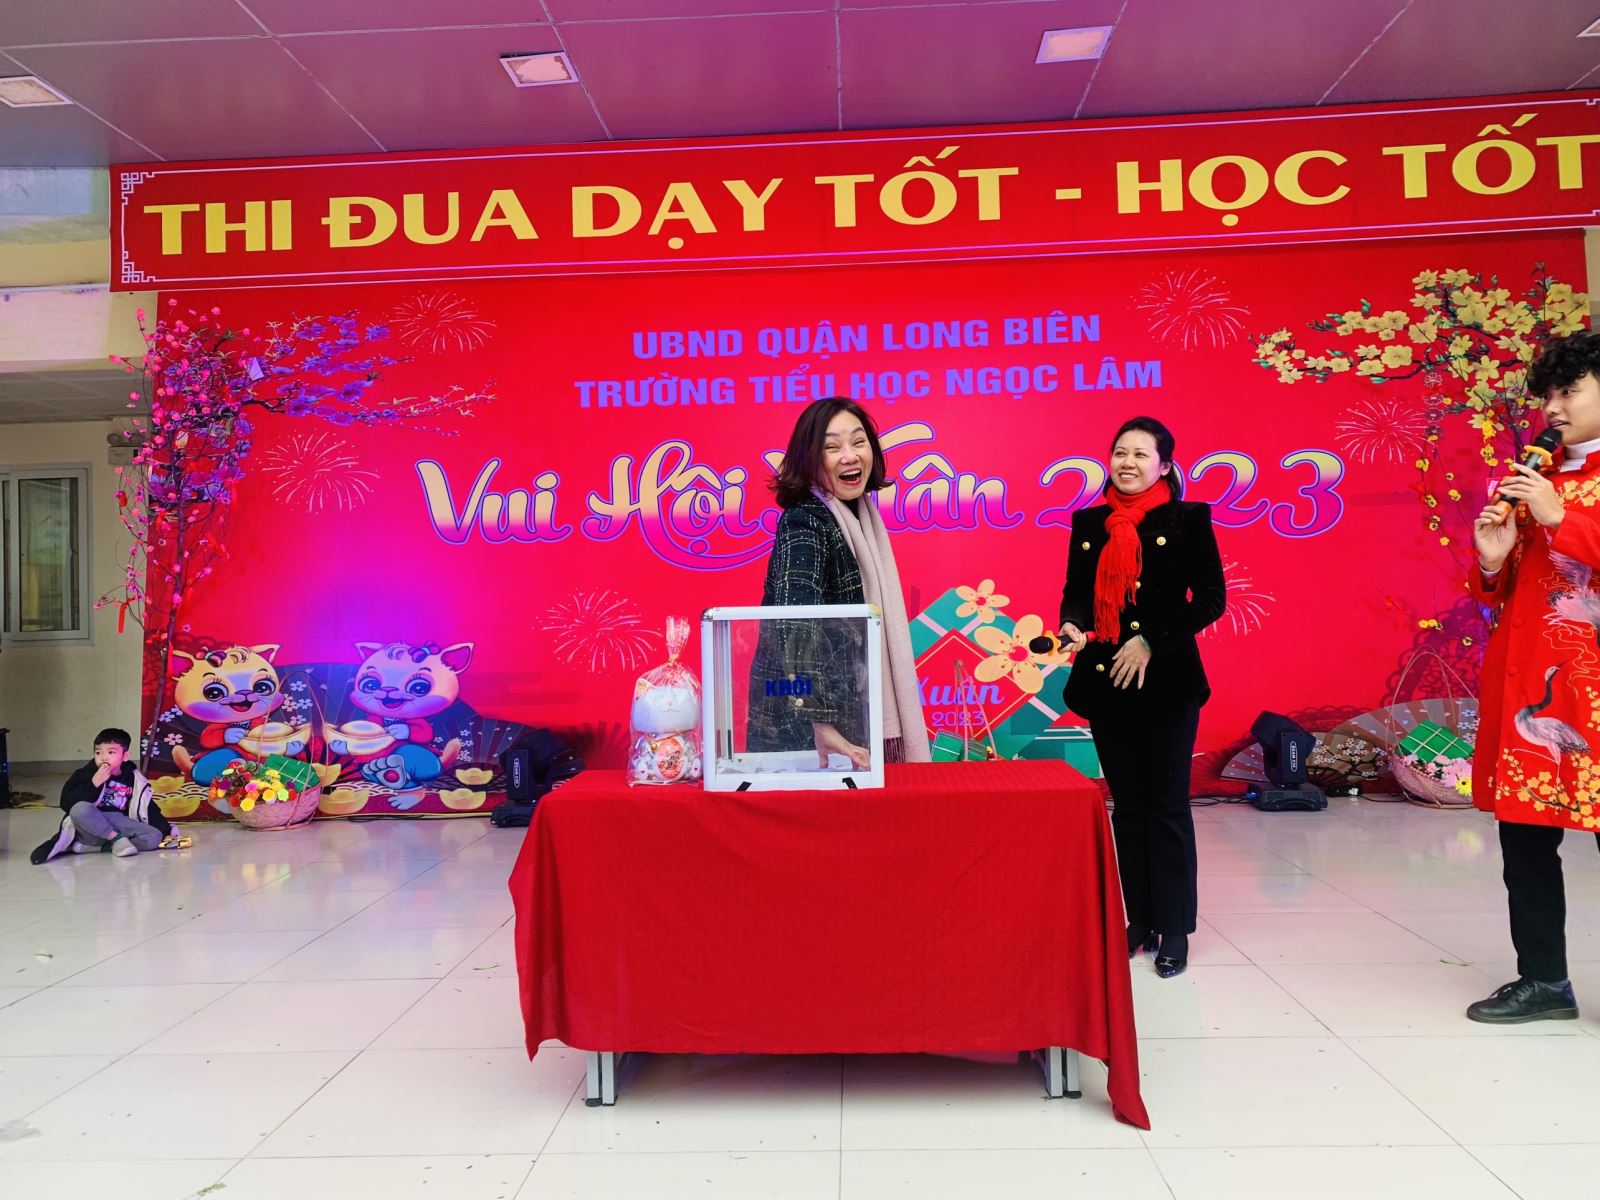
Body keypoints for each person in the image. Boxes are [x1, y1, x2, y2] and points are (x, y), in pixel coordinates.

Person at [1056, 416, 1226, 979]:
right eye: (1119, 452)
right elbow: (1076, 592)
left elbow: (1211, 599)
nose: (1126, 463)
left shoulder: (1188, 518)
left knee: (1167, 806)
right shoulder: (1089, 522)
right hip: (1108, 682)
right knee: (1127, 808)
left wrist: (1151, 640)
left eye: (1140, 454)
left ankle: (1174, 927)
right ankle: (1140, 920)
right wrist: (1072, 624)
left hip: (1168, 681)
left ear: (1164, 465)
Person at [1466, 329, 1600, 1023]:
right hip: (1532, 689)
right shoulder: (1532, 482)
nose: (1553, 406)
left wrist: (1560, 517)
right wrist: (1493, 560)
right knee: (1524, 841)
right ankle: (1543, 981)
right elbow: (1513, 592)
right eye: (1547, 394)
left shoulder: (1551, 495)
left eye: (1569, 391)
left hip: (1594, 695)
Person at [748, 397, 931, 767]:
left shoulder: (861, 517)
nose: (850, 456)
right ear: (809, 460)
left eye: (858, 442)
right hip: (812, 734)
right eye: (832, 447)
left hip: (845, 726)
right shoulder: (805, 521)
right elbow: (795, 625)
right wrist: (819, 719)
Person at [30, 728, 171, 864]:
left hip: (118, 823)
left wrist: (166, 830)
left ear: (125, 756)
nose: (104, 757)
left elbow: (147, 806)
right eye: (98, 752)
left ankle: (99, 848)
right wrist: (94, 783)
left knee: (154, 837)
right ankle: (116, 839)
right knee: (79, 808)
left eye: (111, 752)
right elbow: (66, 803)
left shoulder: (133, 778)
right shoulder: (84, 774)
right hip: (90, 827)